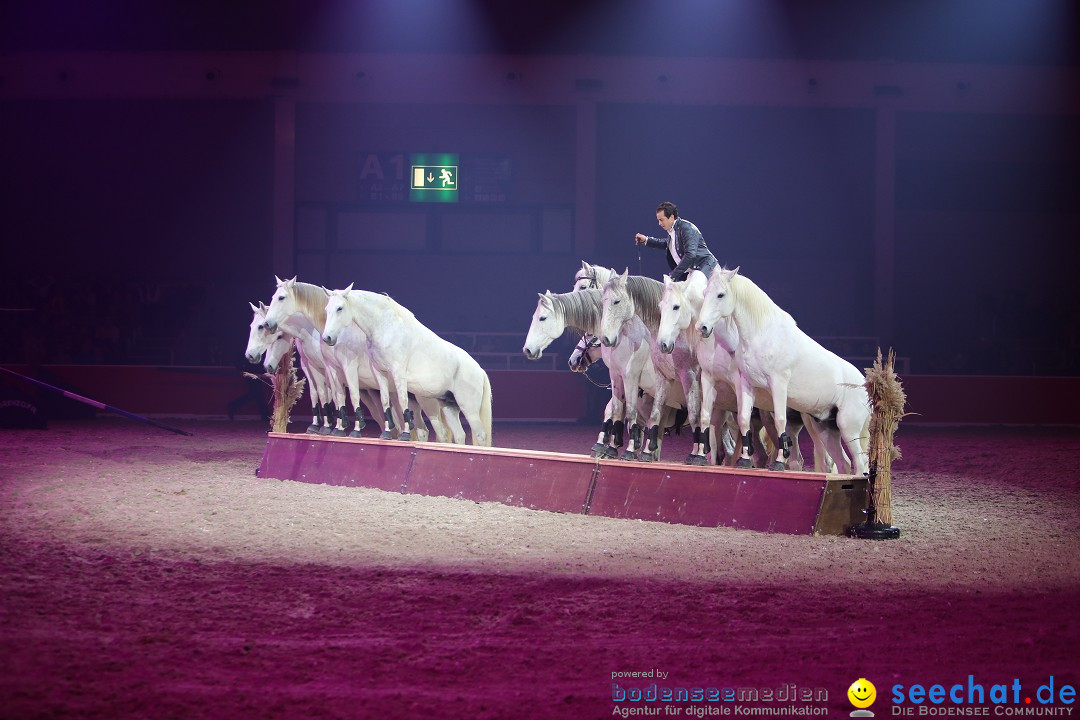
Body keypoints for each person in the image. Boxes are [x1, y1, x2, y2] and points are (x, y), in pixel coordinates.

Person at [634, 201, 718, 281]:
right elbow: (668, 244)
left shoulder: (686, 228)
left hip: (708, 271)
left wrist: (673, 276)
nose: (659, 223)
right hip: (695, 273)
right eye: (658, 220)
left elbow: (690, 255)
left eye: (661, 220)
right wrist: (646, 240)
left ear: (671, 217)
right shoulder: (674, 230)